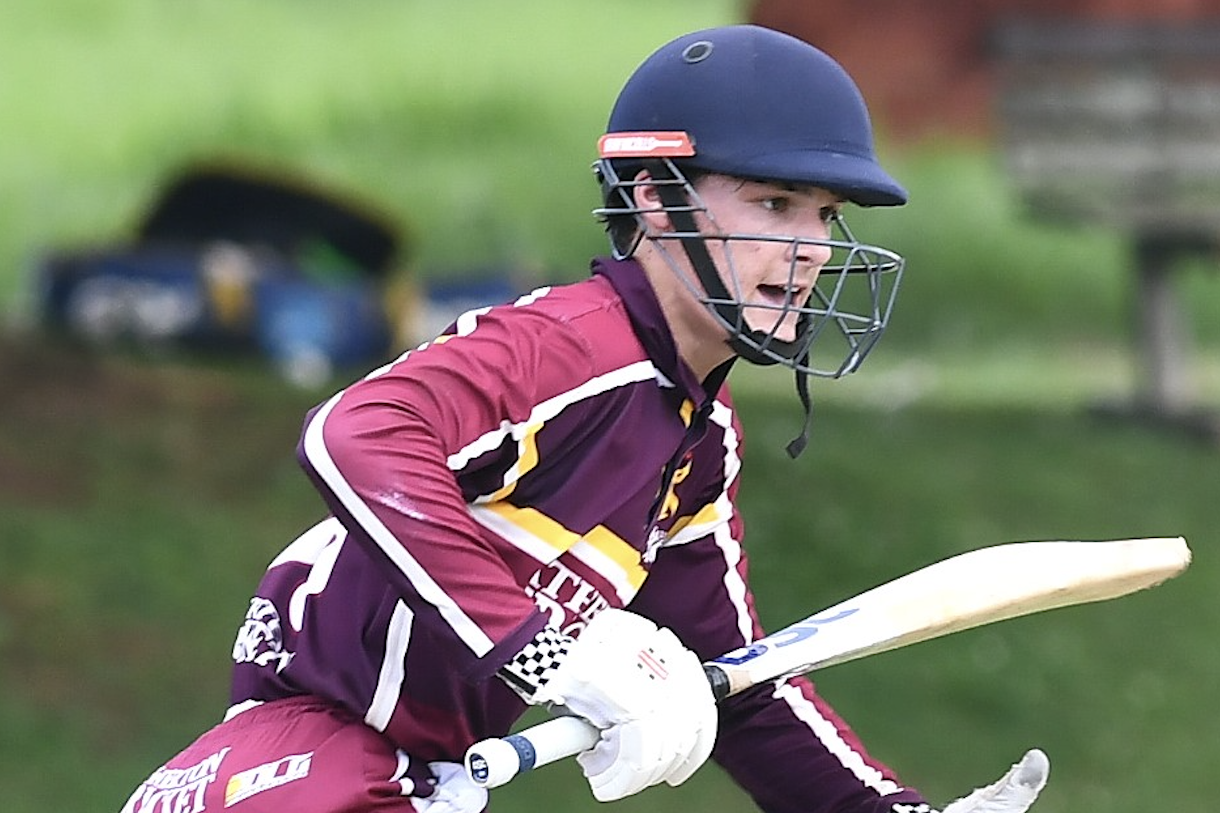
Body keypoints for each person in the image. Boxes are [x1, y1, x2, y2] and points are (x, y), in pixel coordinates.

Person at [118, 24, 1050, 813]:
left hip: (420, 772)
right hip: (308, 751)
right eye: (774, 204)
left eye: (824, 215)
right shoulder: (570, 346)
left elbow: (736, 681)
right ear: (655, 198)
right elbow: (358, 430)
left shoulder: (698, 439)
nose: (808, 251)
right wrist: (544, 650)